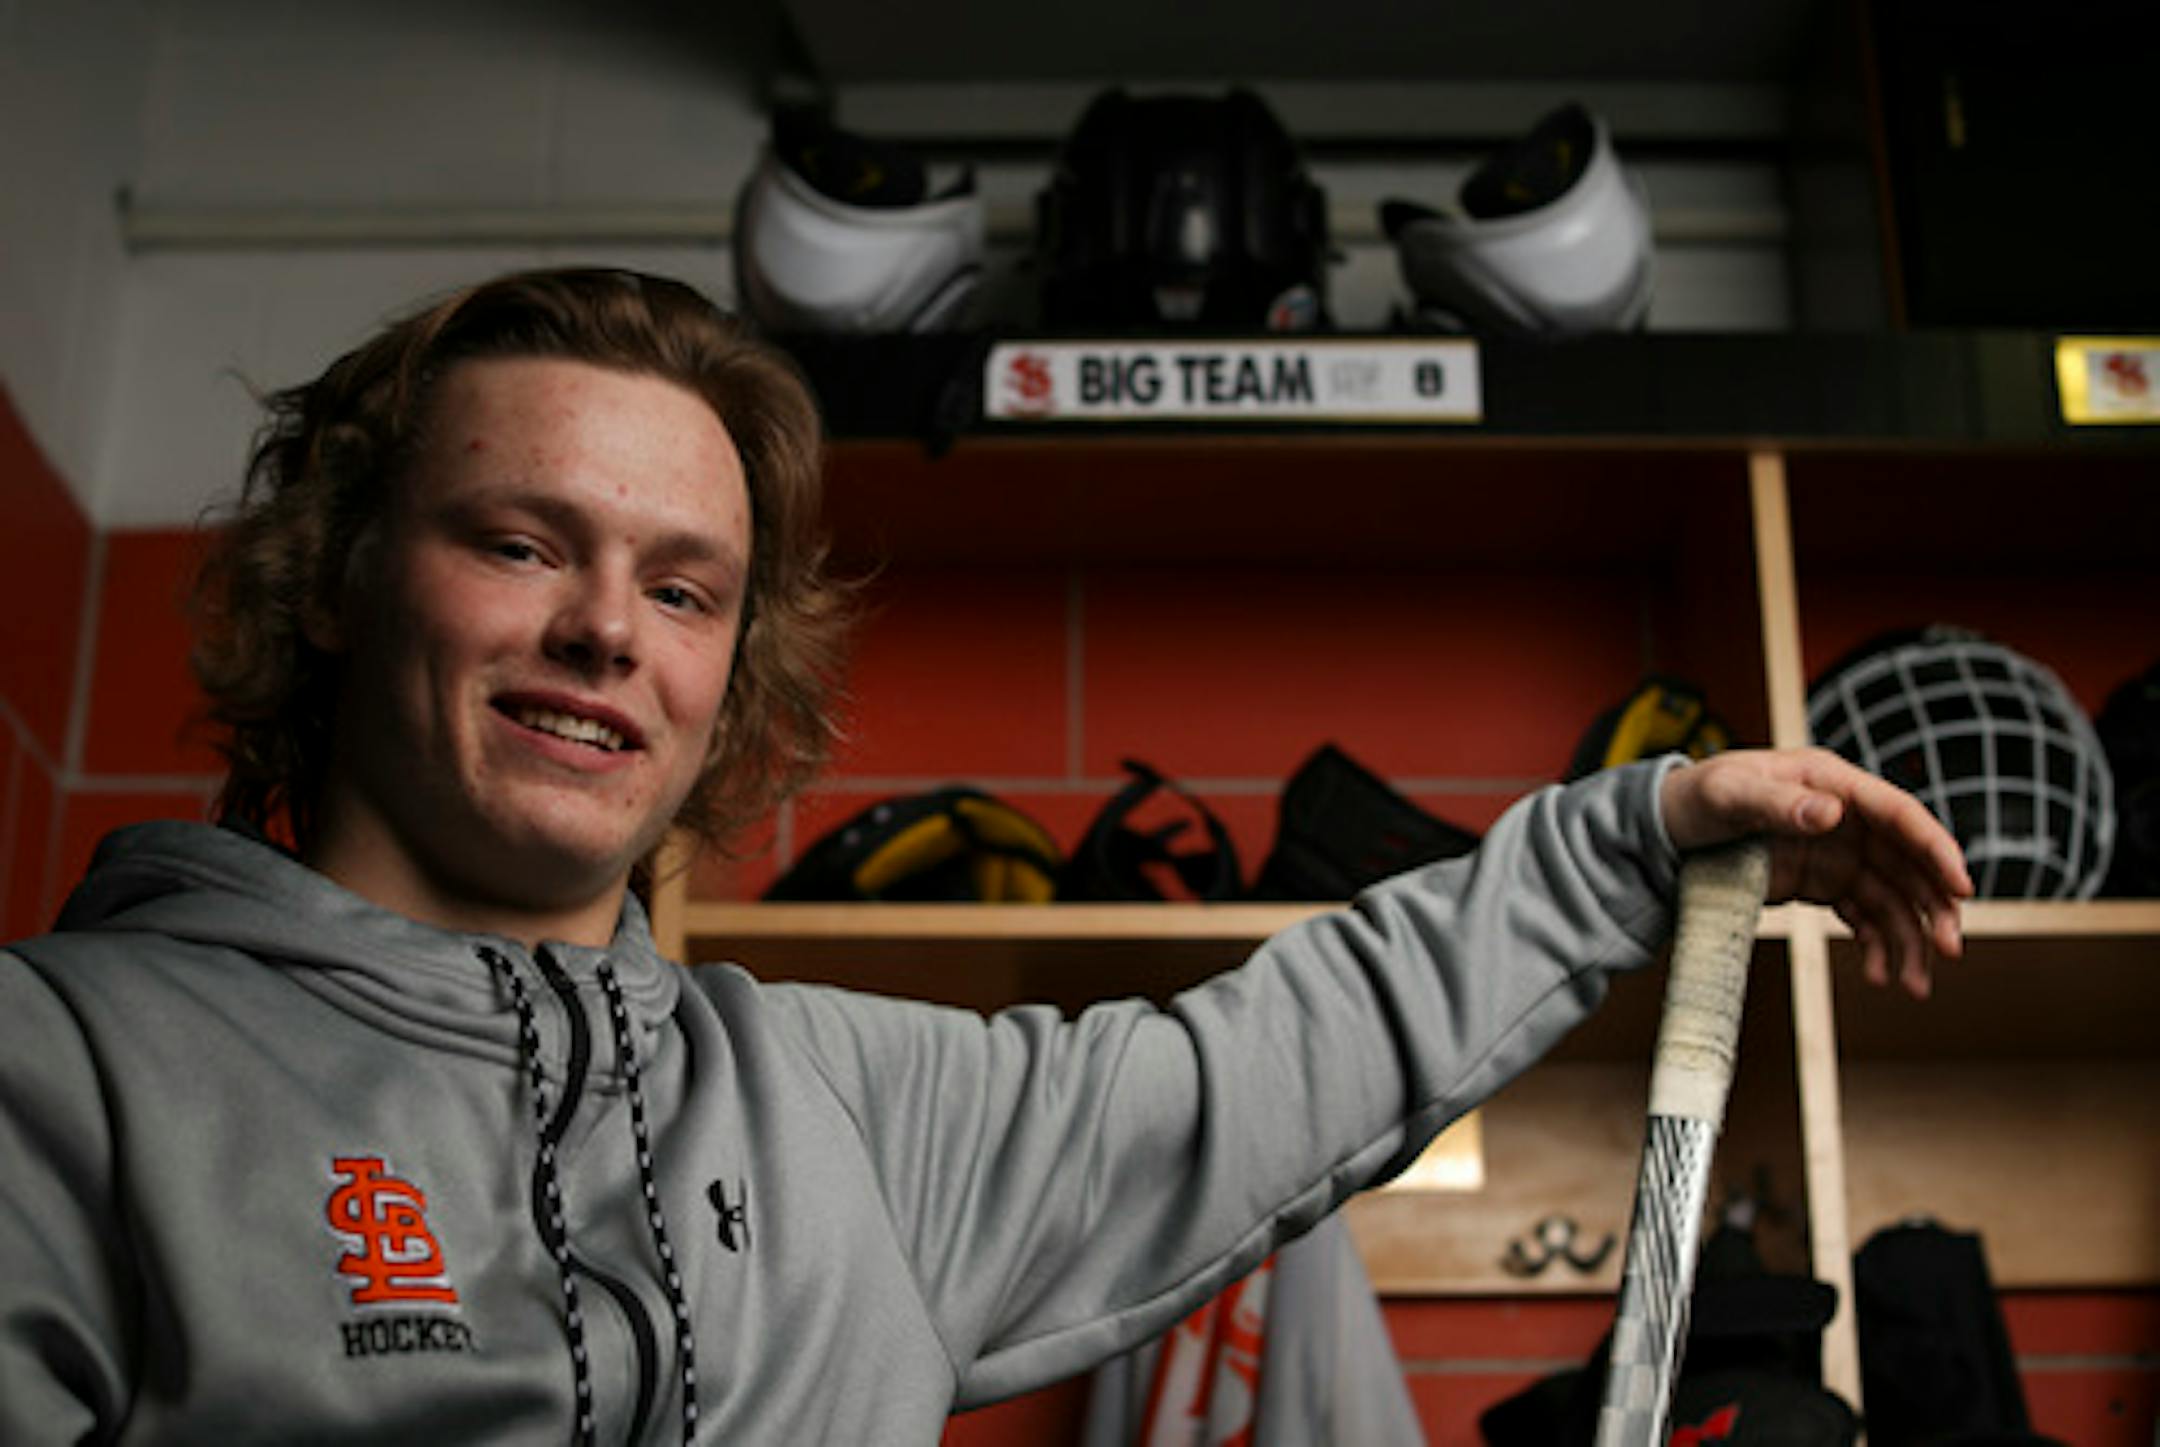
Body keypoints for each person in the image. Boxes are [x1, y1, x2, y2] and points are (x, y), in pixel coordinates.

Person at [0, 267, 1971, 1446]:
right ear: (341, 578)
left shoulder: (838, 1104)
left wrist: (1642, 832)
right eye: (521, 544)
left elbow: (1260, 1070)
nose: (611, 629)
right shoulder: (62, 1073)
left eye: (684, 587)